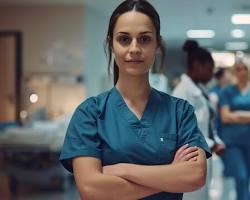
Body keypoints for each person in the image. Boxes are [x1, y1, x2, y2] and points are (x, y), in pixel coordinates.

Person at [59, 1, 211, 199]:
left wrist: (123, 169)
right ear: (111, 44)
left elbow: (195, 176)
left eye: (145, 39)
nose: (134, 48)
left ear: (157, 45)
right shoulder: (90, 114)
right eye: (124, 39)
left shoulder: (180, 112)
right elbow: (91, 189)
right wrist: (170, 174)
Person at [172, 40, 225, 200]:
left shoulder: (200, 90)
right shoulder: (181, 93)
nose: (212, 73)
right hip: (190, 160)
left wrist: (214, 140)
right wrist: (212, 144)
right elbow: (184, 133)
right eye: (210, 68)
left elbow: (207, 124)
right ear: (197, 66)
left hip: (203, 156)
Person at [219, 61, 250, 200]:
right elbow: (225, 117)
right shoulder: (227, 91)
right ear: (234, 72)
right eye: (238, 69)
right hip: (233, 142)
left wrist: (236, 115)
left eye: (245, 69)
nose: (242, 72)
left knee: (247, 179)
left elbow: (231, 115)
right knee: (241, 177)